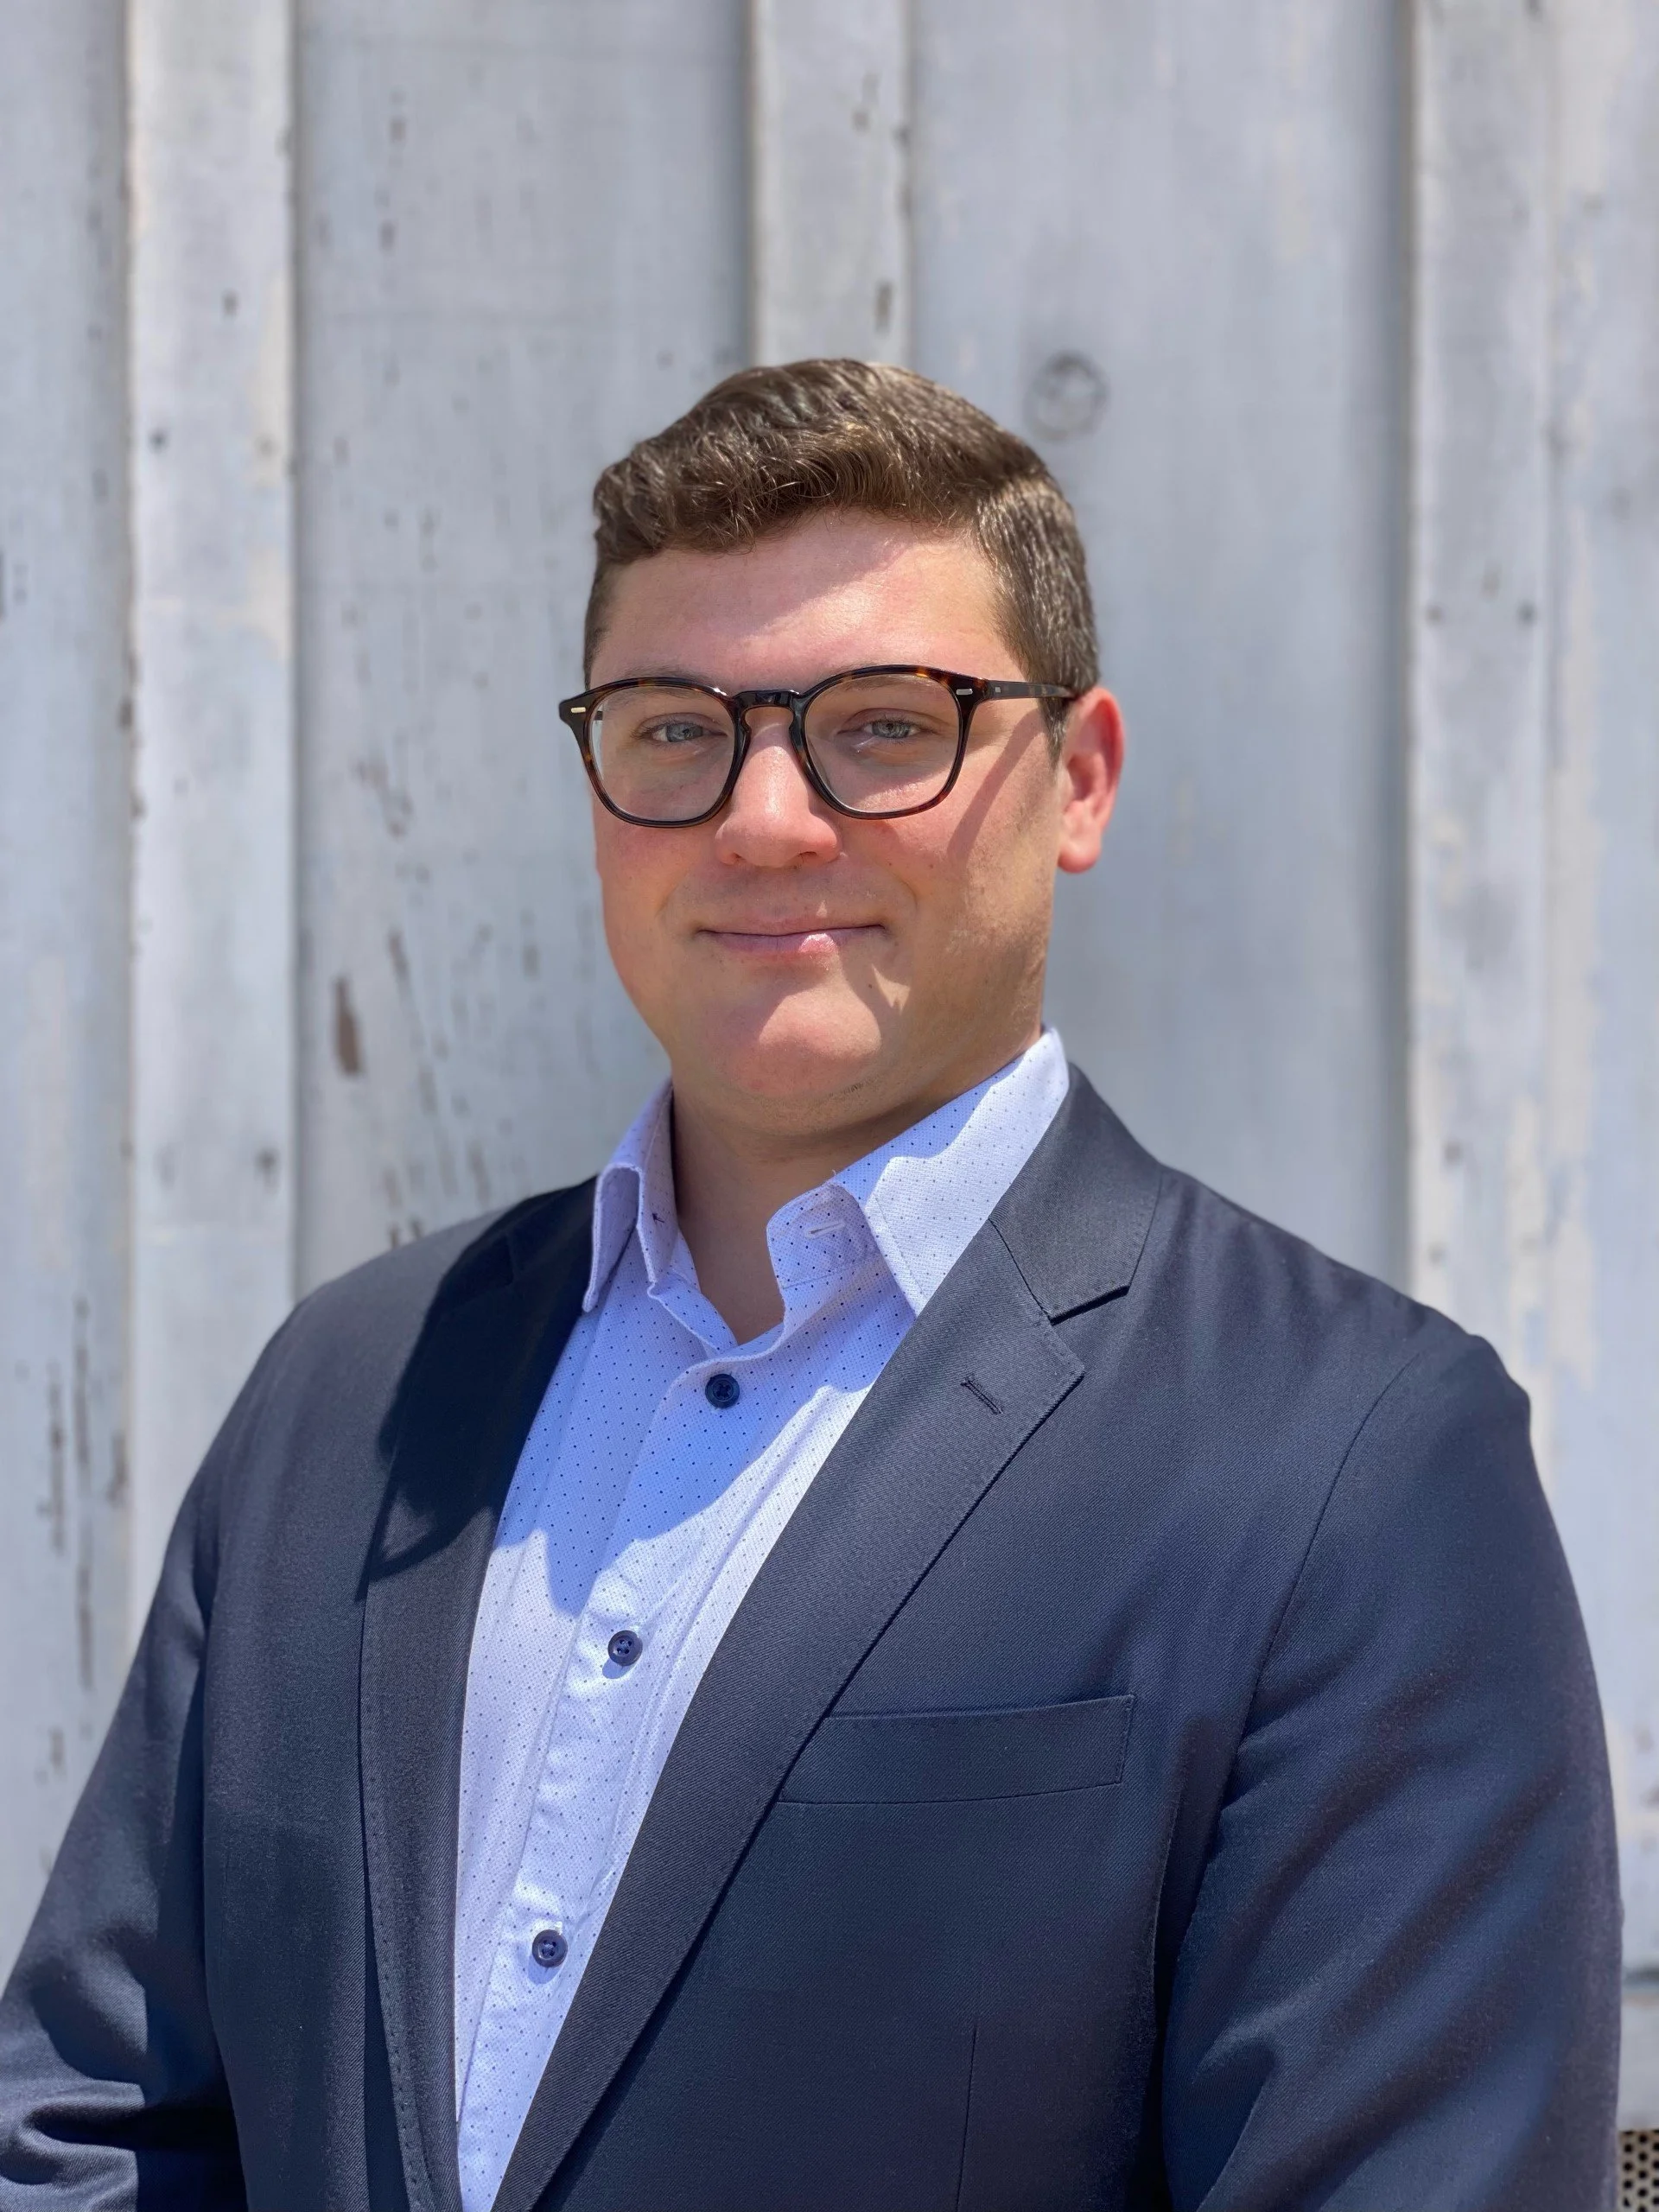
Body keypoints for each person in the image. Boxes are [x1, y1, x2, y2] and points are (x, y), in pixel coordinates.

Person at [0, 359, 1619, 2211]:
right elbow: (95, 2132)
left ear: (1079, 777)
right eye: (673, 728)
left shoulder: (1356, 1464)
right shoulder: (351, 1395)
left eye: (884, 726)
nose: (764, 819)